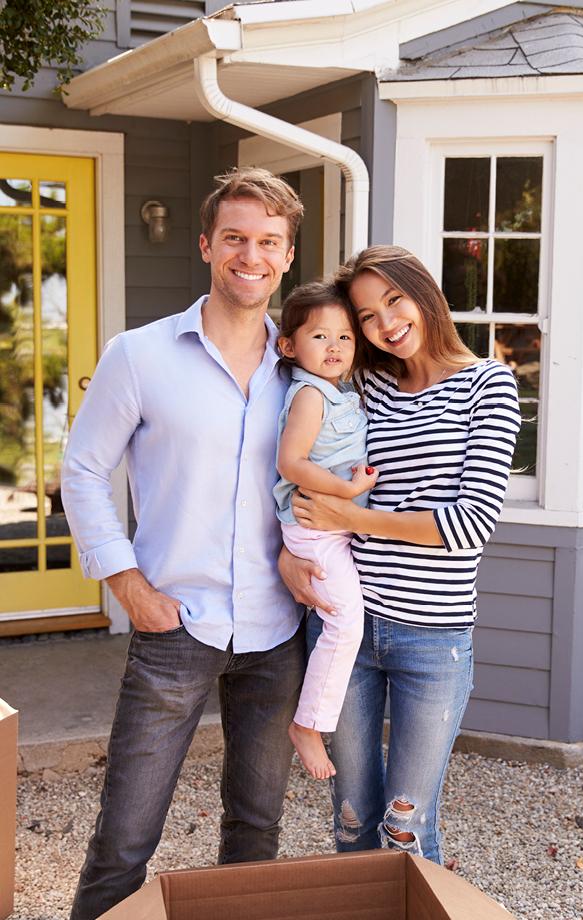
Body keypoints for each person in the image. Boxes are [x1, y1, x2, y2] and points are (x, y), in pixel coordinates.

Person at [61, 168, 307, 919]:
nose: (251, 255)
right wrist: (124, 580)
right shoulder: (140, 355)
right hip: (175, 626)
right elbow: (81, 467)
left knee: (256, 829)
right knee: (126, 837)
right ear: (207, 244)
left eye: (269, 241)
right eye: (235, 237)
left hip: (276, 630)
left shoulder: (305, 368)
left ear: (288, 255)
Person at [279, 245, 520, 866]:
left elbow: (470, 524)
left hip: (433, 639)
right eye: (365, 316)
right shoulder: (365, 385)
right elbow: (289, 453)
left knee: (406, 825)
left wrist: (352, 517)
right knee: (351, 819)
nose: (384, 324)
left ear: (423, 292)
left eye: (393, 301)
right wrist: (287, 557)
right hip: (344, 626)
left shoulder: (488, 385)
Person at [273, 280, 378, 780]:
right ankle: (308, 725)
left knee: (341, 618)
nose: (335, 347)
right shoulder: (311, 395)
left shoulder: (343, 392)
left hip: (330, 526)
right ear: (289, 346)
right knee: (344, 621)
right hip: (316, 527)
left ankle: (312, 721)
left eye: (345, 337)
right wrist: (346, 493)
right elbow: (291, 463)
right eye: (320, 337)